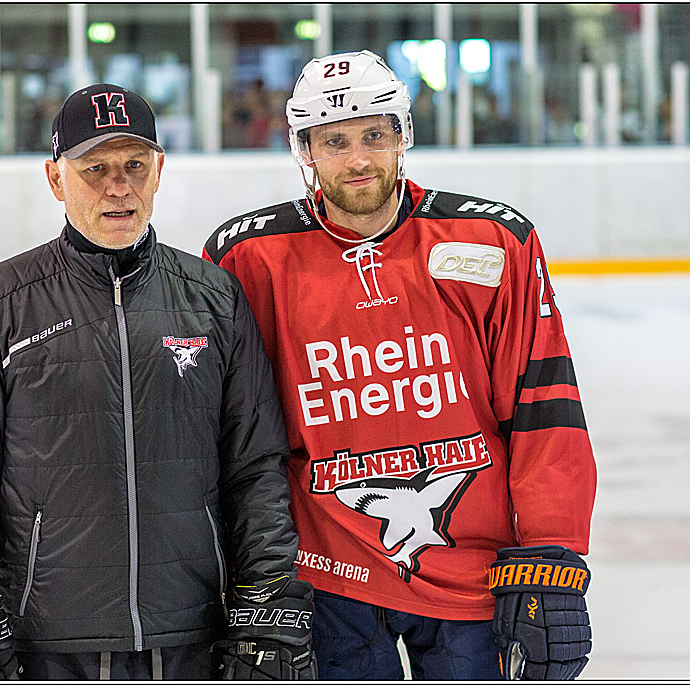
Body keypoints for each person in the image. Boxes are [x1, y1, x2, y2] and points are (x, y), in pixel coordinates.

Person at [204, 51, 597, 680]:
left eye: (374, 135)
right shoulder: (250, 256)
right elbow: (233, 434)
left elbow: (543, 402)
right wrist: (248, 575)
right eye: (334, 141)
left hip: (476, 576)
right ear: (303, 149)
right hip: (329, 578)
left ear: (402, 136)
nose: (358, 159)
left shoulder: (491, 241)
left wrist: (552, 551)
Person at [0, 83, 316, 681]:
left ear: (159, 172)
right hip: (45, 636)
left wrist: (267, 597)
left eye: (134, 165)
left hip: (191, 632)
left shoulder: (213, 298)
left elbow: (255, 466)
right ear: (56, 179)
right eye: (94, 168)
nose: (117, 186)